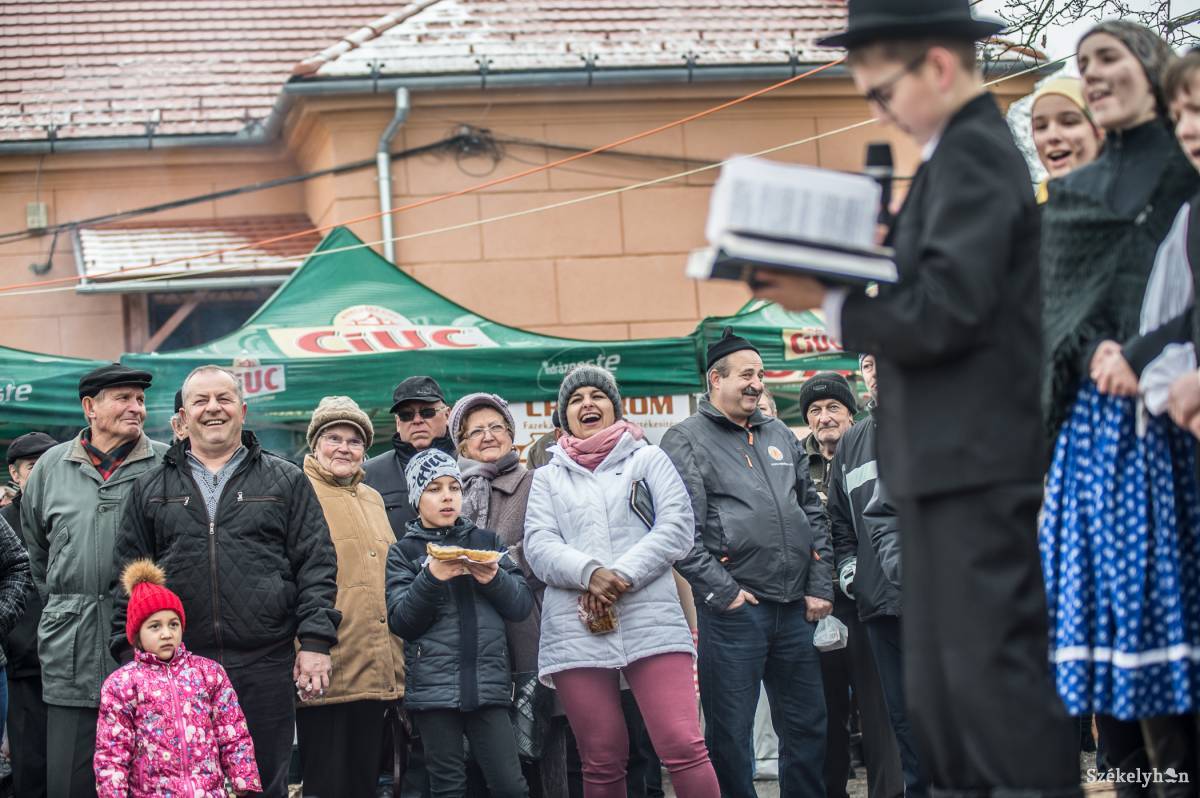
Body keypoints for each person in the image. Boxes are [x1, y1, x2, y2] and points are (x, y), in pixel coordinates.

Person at [747, 1, 1082, 794]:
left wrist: (826, 295)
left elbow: (946, 314)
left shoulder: (969, 156)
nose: (876, 108)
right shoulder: (955, 158)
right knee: (949, 699)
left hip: (971, 467)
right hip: (949, 468)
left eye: (880, 90)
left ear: (935, 65)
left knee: (989, 692)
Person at [1038, 22, 1200, 784]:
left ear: (1150, 65)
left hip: (1179, 416)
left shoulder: (1189, 166)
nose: (1094, 74)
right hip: (1099, 432)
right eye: (1082, 65)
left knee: (1175, 646)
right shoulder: (1069, 197)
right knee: (1114, 654)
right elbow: (1056, 317)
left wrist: (1141, 351)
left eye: (1108, 59)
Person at [112, 365, 341, 798]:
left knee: (262, 786)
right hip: (176, 671)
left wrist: (315, 643)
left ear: (243, 410)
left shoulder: (286, 480)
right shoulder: (150, 488)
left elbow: (317, 564)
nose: (213, 408)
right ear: (182, 416)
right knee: (182, 788)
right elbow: (126, 582)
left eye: (224, 399)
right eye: (200, 401)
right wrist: (131, 659)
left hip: (266, 666)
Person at [524, 365, 719, 798]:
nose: (587, 404)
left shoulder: (648, 458)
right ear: (563, 416)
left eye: (597, 395)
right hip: (576, 628)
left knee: (683, 745)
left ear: (615, 407)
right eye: (576, 399)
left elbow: (677, 527)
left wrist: (619, 577)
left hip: (651, 620)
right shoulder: (546, 477)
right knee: (601, 758)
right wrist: (589, 573)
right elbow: (538, 546)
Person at [661, 329, 833, 798]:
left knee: (808, 726)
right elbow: (680, 535)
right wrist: (727, 593)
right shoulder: (685, 440)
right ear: (716, 379)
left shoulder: (779, 433)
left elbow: (811, 512)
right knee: (730, 736)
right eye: (746, 375)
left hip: (797, 608)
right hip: (735, 612)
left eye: (760, 374)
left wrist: (820, 584)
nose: (757, 384)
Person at [21, 363, 167, 798]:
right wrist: (67, 604)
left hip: (145, 641)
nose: (135, 408)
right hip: (70, 646)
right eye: (123, 398)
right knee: (70, 777)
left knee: (151, 772)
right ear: (90, 407)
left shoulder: (164, 462)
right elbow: (36, 552)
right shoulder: (50, 467)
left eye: (139, 400)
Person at [386, 449, 534, 798]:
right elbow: (402, 621)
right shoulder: (404, 552)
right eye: (434, 489)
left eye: (454, 487)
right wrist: (431, 578)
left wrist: (493, 578)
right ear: (416, 498)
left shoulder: (487, 542)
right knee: (447, 787)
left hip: (489, 687)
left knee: (510, 786)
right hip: (433, 693)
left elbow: (521, 605)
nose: (447, 496)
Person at [450, 392, 571, 797]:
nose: (487, 436)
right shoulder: (451, 493)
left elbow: (546, 550)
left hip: (527, 632)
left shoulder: (535, 482)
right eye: (476, 431)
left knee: (539, 749)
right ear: (462, 444)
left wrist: (484, 562)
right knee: (480, 762)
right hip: (470, 640)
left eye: (496, 427)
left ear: (512, 435)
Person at [798, 372, 902, 798]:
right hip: (814, 608)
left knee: (881, 713)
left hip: (869, 602)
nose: (824, 418)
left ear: (850, 413)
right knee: (824, 713)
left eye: (833, 408)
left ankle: (890, 791)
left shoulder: (872, 448)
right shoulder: (796, 462)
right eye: (815, 411)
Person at [296, 396, 406, 798]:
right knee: (326, 785)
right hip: (325, 667)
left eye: (354, 440)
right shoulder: (297, 491)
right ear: (314, 443)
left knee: (363, 784)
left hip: (376, 668)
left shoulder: (372, 498)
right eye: (332, 437)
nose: (344, 448)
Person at [827, 355, 926, 798]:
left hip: (942, 602)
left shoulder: (938, 417)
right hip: (880, 606)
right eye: (868, 362)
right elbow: (838, 522)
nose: (877, 369)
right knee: (902, 720)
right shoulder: (852, 443)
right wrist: (853, 574)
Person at [95, 559, 261, 797]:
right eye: (154, 626)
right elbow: (112, 752)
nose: (166, 633)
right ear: (137, 635)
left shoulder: (209, 673)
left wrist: (243, 777)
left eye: (173, 624)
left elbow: (232, 730)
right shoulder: (122, 684)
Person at [2, 431, 56, 798]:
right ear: (15, 475)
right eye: (34, 468)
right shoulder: (6, 521)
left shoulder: (71, 513)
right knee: (30, 767)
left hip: (75, 662)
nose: (42, 476)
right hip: (24, 666)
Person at [365, 376, 456, 535]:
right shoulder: (368, 474)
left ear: (447, 415)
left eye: (427, 412)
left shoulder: (471, 467)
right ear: (398, 423)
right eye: (406, 415)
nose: (417, 420)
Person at [1030, 77, 1104, 203]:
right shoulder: (1034, 212)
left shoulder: (1132, 200)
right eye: (1041, 126)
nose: (1052, 136)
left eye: (1069, 122)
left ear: (1099, 131)